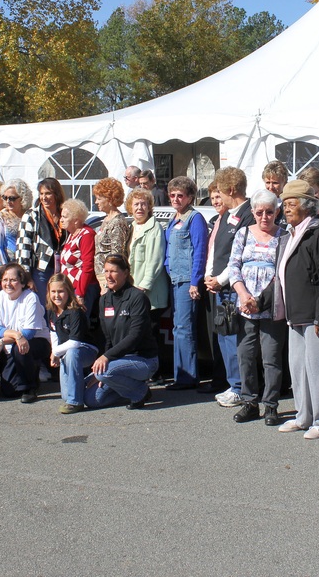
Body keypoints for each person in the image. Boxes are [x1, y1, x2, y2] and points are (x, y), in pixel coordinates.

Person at [246, 180, 319, 440]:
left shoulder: (318, 233)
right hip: (295, 313)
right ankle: (304, 417)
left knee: (317, 369)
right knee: (299, 368)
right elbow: (281, 276)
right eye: (285, 204)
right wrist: (260, 300)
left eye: (291, 204)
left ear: (307, 206)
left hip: (315, 315)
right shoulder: (292, 234)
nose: (286, 209)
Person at [227, 189, 287, 425]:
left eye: (269, 212)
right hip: (245, 306)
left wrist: (260, 300)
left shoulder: (284, 236)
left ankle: (271, 405)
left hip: (272, 306)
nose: (264, 217)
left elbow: (282, 272)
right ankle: (249, 403)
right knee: (246, 355)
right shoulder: (243, 234)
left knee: (271, 358)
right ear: (252, 212)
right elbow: (234, 266)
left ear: (277, 212)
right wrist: (244, 295)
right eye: (260, 212)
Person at [204, 166, 254, 405]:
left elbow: (240, 255)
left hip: (235, 287)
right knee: (224, 336)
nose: (218, 197)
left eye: (221, 192)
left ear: (231, 190)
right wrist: (209, 275)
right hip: (219, 288)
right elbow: (216, 247)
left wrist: (221, 279)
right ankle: (233, 383)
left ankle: (241, 387)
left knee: (235, 339)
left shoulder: (248, 214)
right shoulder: (226, 215)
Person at [84, 254, 159, 409]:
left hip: (143, 360)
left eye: (113, 271)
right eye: (106, 271)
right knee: (91, 399)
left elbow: (135, 336)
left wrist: (106, 359)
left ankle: (141, 392)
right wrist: (105, 362)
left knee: (103, 373)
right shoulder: (104, 300)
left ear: (125, 273)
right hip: (117, 361)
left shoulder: (137, 297)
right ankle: (127, 389)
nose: (108, 276)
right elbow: (108, 339)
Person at [163, 176, 208, 390]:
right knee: (177, 328)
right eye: (172, 195)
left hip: (187, 279)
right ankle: (179, 374)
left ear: (190, 197)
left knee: (184, 328)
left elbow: (200, 251)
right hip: (174, 279)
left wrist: (195, 282)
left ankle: (187, 377)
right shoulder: (174, 218)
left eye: (180, 195)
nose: (175, 199)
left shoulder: (195, 219)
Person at [0, 262, 42, 403]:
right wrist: (16, 335)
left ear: (22, 282)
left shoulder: (31, 297)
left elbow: (29, 333)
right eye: (5, 280)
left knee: (20, 346)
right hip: (12, 344)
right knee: (9, 391)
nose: (8, 284)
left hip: (35, 342)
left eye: (13, 280)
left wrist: (2, 340)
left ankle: (30, 387)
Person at [45, 274, 97, 414]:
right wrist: (54, 351)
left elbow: (75, 342)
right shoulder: (52, 311)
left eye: (61, 291)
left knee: (72, 353)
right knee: (65, 395)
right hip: (65, 351)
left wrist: (56, 352)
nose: (57, 295)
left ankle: (76, 402)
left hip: (86, 349)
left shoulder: (75, 312)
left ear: (68, 291)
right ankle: (90, 380)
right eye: (53, 291)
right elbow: (53, 332)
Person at [16, 178, 65, 294]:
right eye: (41, 194)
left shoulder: (64, 214)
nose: (44, 197)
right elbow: (23, 247)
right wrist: (27, 276)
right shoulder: (31, 215)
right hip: (41, 270)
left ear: (57, 194)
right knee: (43, 303)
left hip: (62, 269)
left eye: (48, 193)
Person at [126, 188, 168, 314]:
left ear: (149, 207)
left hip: (149, 294)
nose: (140, 208)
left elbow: (155, 261)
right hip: (133, 291)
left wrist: (144, 286)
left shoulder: (155, 228)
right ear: (130, 207)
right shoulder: (131, 227)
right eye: (136, 204)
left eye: (143, 204)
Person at [58, 198, 99, 322]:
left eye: (65, 217)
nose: (61, 220)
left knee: (78, 323)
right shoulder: (71, 234)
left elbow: (88, 266)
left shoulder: (86, 234)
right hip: (69, 288)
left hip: (82, 289)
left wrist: (80, 293)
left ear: (76, 220)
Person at [92, 177, 132, 290]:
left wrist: (109, 280)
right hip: (101, 276)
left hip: (110, 278)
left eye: (99, 198)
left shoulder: (117, 222)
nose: (96, 202)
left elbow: (117, 254)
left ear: (109, 199)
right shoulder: (107, 219)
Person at [0, 179, 31, 274]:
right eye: (5, 198)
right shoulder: (1, 216)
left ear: (22, 198)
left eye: (12, 198)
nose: (8, 201)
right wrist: (3, 267)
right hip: (6, 264)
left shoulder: (30, 215)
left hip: (27, 263)